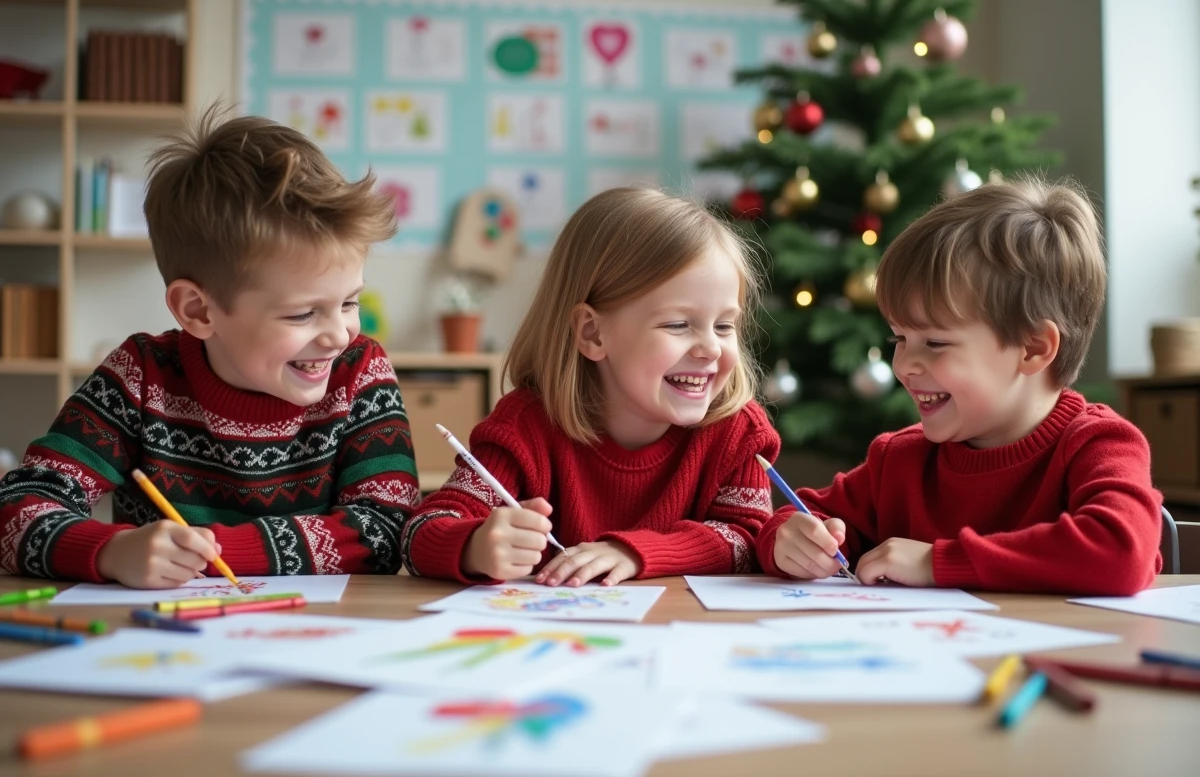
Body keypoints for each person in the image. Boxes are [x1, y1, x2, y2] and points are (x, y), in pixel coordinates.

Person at [0, 107, 419, 586]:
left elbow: (386, 529)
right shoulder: (141, 376)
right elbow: (18, 507)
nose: (340, 334)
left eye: (349, 302)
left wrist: (218, 553)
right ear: (198, 311)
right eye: (303, 313)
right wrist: (109, 551)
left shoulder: (359, 370)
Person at [757, 178, 1162, 595]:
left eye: (934, 342)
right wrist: (789, 539)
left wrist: (938, 562)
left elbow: (1122, 554)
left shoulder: (1098, 445)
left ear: (1033, 348)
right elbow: (799, 517)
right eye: (899, 339)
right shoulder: (900, 460)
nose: (905, 365)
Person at [402, 187, 780, 585]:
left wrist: (634, 552)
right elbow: (420, 532)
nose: (710, 348)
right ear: (593, 333)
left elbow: (748, 539)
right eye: (678, 324)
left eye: (724, 326)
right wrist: (475, 545)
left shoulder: (738, 431)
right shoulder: (524, 428)